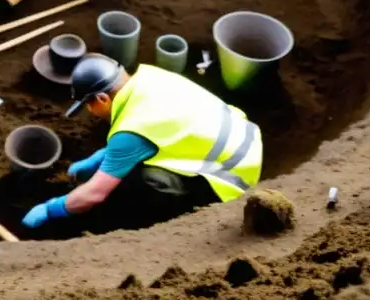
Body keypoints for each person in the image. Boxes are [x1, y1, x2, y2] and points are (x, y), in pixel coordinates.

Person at [21, 55, 263, 229]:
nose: (90, 111)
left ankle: (161, 220)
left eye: (88, 105)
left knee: (146, 179)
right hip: (245, 138)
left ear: (102, 98)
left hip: (232, 178)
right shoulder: (151, 79)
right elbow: (160, 128)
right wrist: (100, 159)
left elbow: (93, 195)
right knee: (134, 160)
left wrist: (52, 209)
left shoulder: (130, 131)